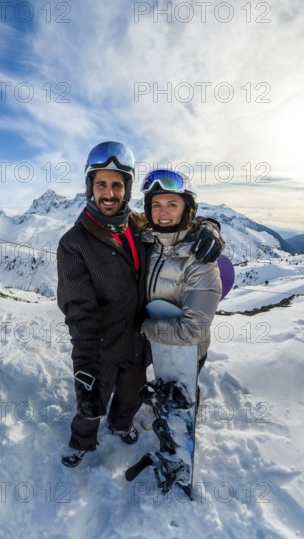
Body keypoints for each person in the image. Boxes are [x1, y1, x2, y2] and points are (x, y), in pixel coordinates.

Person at [57, 141, 148, 468]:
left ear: (126, 189)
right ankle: (81, 441)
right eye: (101, 184)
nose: (109, 193)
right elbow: (79, 313)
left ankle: (122, 425)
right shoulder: (74, 244)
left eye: (117, 185)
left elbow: (177, 225)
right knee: (92, 401)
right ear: (90, 187)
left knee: (132, 393)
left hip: (138, 339)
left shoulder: (139, 226)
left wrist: (208, 227)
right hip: (102, 346)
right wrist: (85, 372)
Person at [138, 169, 223, 376]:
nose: (162, 213)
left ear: (187, 210)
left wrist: (142, 328)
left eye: (172, 205)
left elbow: (193, 331)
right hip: (153, 342)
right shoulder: (146, 242)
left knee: (181, 399)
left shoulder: (199, 259)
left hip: (187, 350)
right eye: (156, 205)